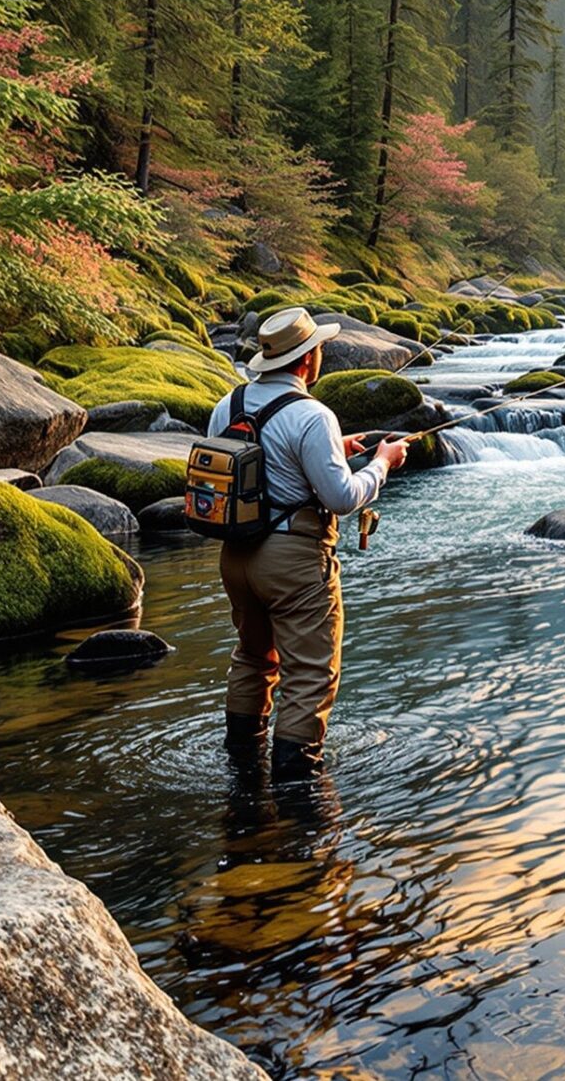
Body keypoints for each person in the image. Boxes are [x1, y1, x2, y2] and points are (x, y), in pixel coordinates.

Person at [209, 306, 410, 781]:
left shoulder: (228, 404)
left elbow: (257, 465)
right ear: (305, 361)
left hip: (235, 556)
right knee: (310, 675)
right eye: (317, 349)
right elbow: (341, 499)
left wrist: (334, 450)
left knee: (254, 658)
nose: (319, 355)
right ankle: (299, 791)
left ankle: (242, 766)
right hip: (293, 562)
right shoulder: (312, 414)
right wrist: (383, 464)